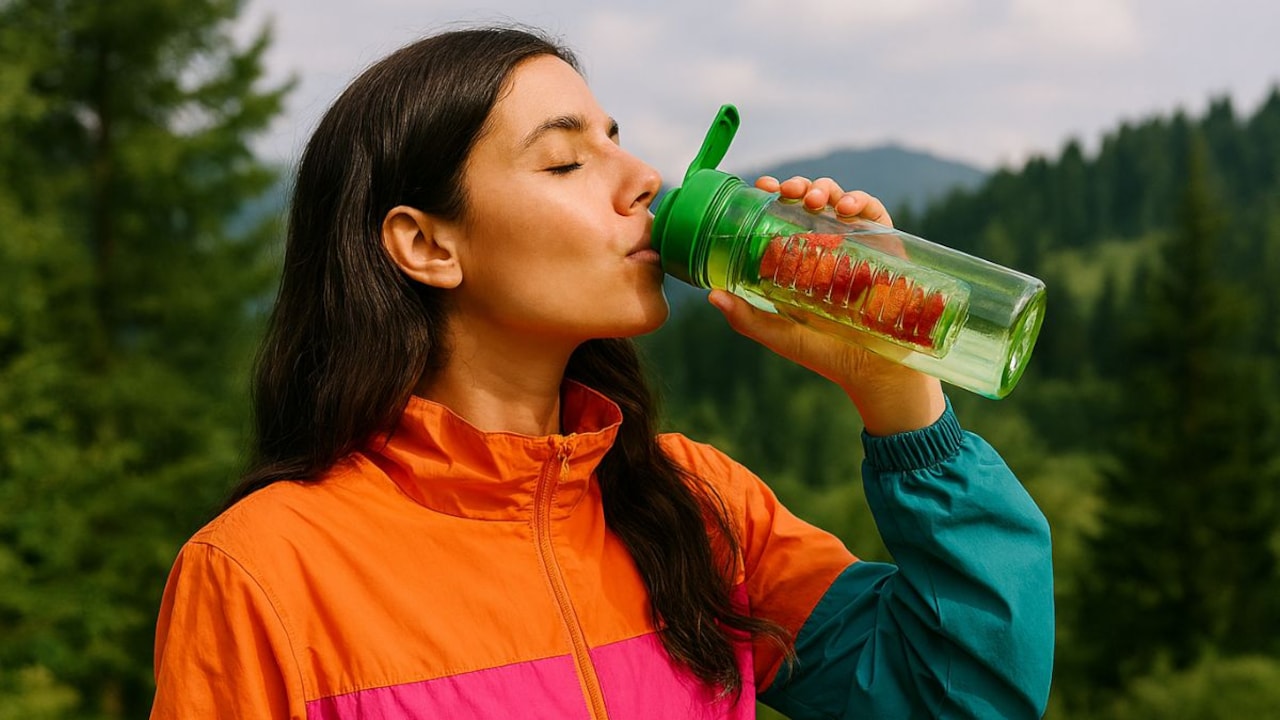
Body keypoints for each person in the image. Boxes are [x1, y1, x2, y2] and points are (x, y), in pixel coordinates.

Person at [148, 25, 1054, 720]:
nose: (644, 179)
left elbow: (957, 696)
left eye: (617, 139)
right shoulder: (263, 574)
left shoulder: (697, 510)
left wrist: (897, 391)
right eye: (566, 159)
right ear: (426, 244)